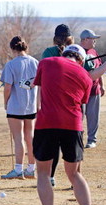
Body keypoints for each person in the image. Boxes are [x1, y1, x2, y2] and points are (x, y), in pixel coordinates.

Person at [33, 44, 105, 205]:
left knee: (43, 173)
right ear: (81, 60)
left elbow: (38, 88)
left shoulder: (46, 62)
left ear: (64, 53)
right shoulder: (85, 76)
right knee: (74, 174)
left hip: (46, 123)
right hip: (72, 125)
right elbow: (80, 102)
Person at [0, 36, 38, 179]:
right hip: (31, 106)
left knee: (18, 138)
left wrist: (5, 102)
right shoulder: (35, 62)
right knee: (30, 137)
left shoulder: (10, 65)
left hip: (15, 107)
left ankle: (18, 169)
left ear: (12, 49)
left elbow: (7, 88)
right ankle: (31, 169)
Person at [40, 24, 74, 187]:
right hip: (71, 104)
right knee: (71, 143)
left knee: (52, 142)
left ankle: (51, 176)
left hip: (52, 103)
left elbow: (42, 79)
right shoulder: (76, 53)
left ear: (55, 37)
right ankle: (75, 179)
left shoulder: (48, 53)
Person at [80, 29, 104, 149]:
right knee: (79, 117)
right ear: (84, 40)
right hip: (81, 91)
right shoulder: (77, 52)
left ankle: (92, 140)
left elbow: (99, 69)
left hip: (94, 90)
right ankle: (78, 138)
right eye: (92, 38)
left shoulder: (94, 51)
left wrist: (102, 85)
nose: (94, 41)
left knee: (93, 116)